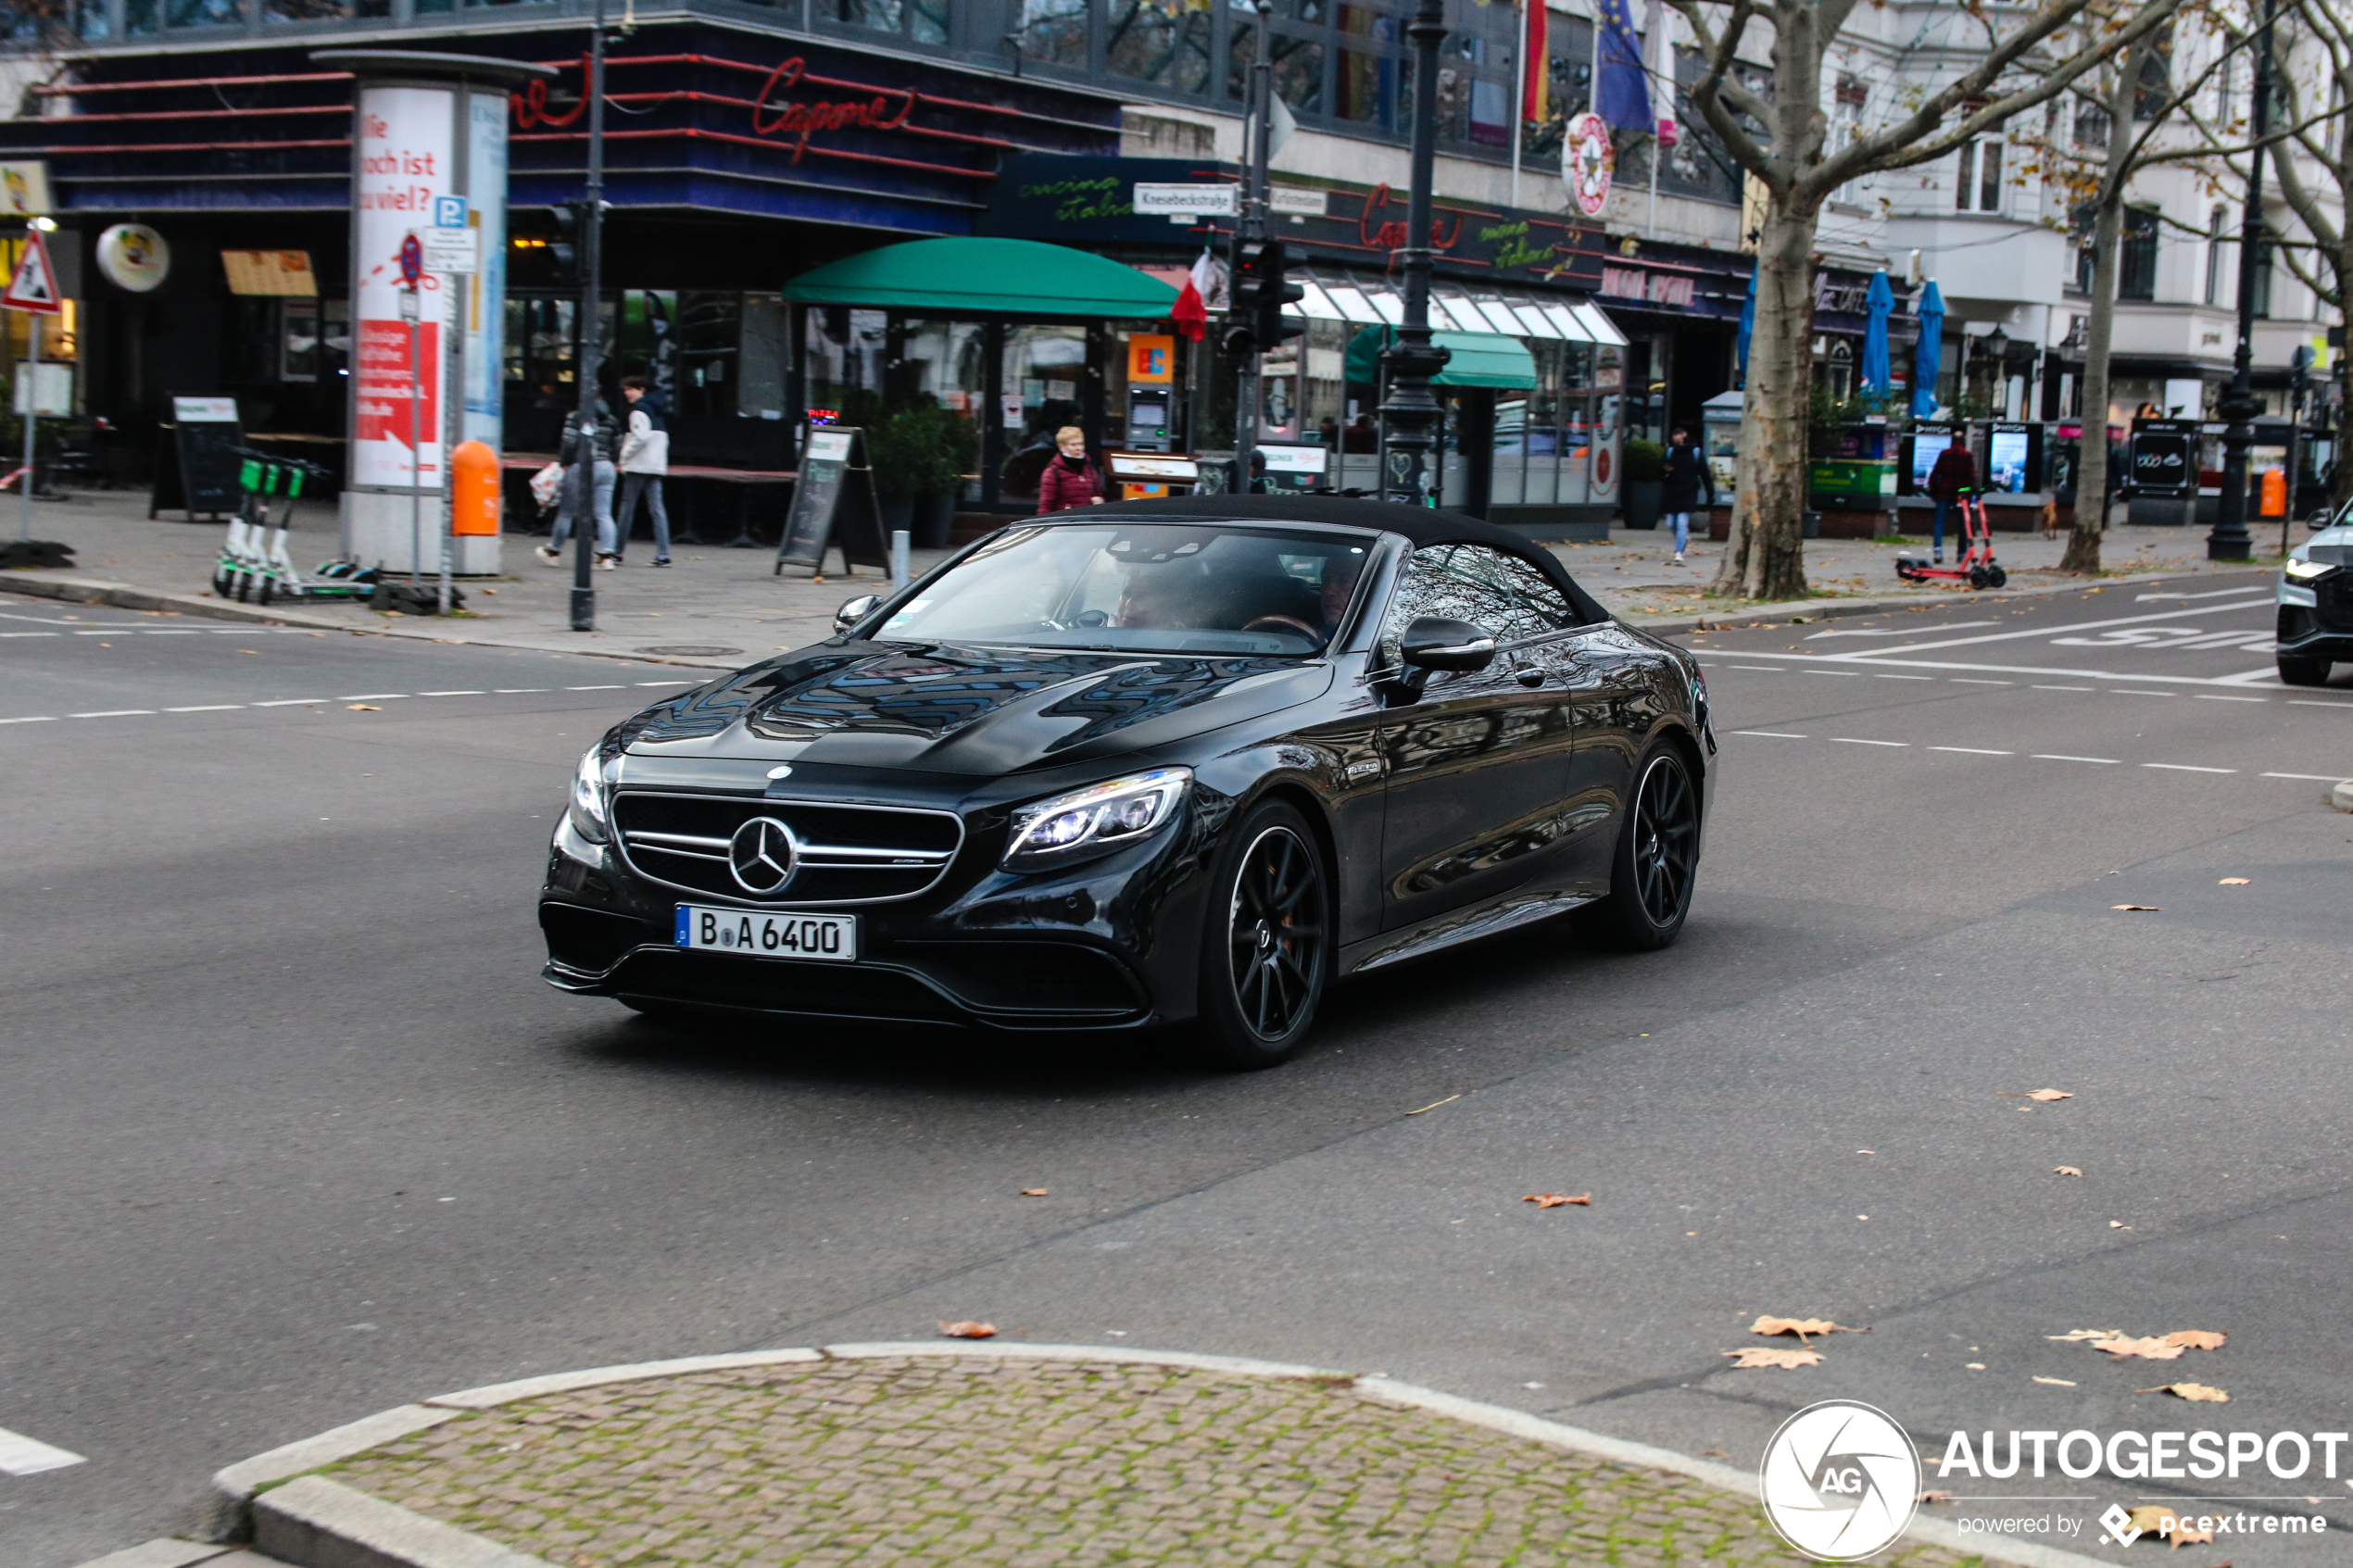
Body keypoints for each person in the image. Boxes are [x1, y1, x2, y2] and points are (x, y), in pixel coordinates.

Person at [538, 401, 622, 570]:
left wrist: (564, 462)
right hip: (606, 467)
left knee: (567, 512)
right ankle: (607, 556)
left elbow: (569, 442)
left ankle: (553, 552)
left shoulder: (576, 417)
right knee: (604, 513)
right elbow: (618, 444)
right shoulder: (612, 419)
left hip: (581, 465)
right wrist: (608, 459)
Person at [615, 375, 672, 567]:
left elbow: (640, 438)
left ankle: (617, 551)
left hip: (638, 465)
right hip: (655, 465)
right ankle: (663, 554)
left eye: (629, 389)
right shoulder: (657, 410)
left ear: (641, 390)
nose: (626, 393)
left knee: (627, 507)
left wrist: (624, 456)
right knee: (657, 508)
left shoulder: (639, 410)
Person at [1660, 426, 1713, 564]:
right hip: (1672, 492)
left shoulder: (1695, 452)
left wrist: (1710, 493)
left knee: (1682, 522)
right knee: (1671, 523)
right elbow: (1661, 468)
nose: (1677, 443)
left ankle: (1679, 551)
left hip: (1688, 492)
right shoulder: (1671, 452)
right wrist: (1665, 469)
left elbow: (1705, 474)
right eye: (1675, 440)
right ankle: (1682, 539)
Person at [1925, 439, 1979, 564]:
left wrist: (1934, 493)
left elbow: (1935, 474)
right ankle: (1961, 553)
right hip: (1961, 496)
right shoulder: (1967, 455)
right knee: (1963, 525)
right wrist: (1969, 496)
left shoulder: (1944, 454)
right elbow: (1972, 477)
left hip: (1944, 493)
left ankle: (1938, 551)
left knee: (1939, 522)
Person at [1036, 425, 1103, 513]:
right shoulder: (1053, 472)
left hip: (1087, 521)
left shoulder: (1090, 469)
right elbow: (1045, 505)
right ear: (1062, 447)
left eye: (1081, 444)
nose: (1079, 448)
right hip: (1064, 522)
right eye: (1073, 445)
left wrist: (1099, 501)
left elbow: (1098, 494)